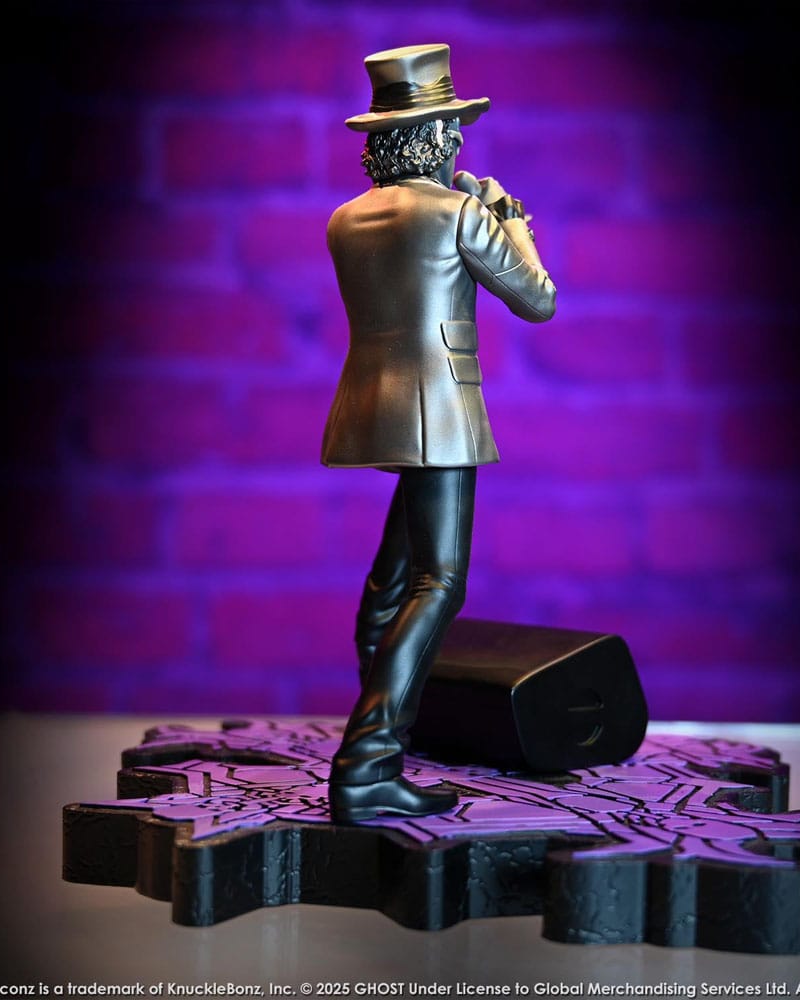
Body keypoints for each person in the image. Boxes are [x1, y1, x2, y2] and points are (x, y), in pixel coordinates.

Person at [321, 44, 556, 823]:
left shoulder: (345, 219)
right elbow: (538, 299)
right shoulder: (459, 212)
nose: (458, 138)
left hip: (372, 406)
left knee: (393, 581)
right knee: (440, 583)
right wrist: (511, 221)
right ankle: (367, 764)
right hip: (443, 412)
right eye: (450, 126)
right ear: (429, 136)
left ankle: (393, 729)